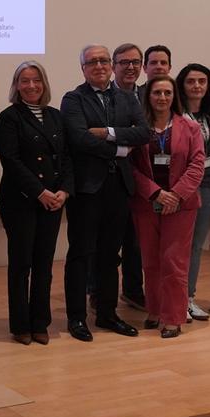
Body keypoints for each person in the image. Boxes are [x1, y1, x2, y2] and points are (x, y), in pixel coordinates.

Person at [60, 44, 148, 342]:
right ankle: (76, 318)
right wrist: (122, 147)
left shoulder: (127, 98)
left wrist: (107, 132)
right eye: (91, 62)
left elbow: (143, 132)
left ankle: (108, 314)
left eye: (103, 60)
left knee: (111, 255)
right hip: (87, 188)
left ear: (111, 65)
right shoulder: (73, 99)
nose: (98, 65)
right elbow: (79, 139)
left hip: (119, 188)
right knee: (81, 254)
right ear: (83, 68)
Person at [0, 61, 72, 345]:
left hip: (53, 201)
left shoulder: (56, 116)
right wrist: (40, 192)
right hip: (21, 201)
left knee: (44, 263)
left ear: (44, 83)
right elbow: (11, 161)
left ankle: (40, 322)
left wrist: (64, 190)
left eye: (36, 80)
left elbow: (66, 158)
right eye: (24, 81)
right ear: (16, 86)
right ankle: (20, 325)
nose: (31, 86)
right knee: (21, 264)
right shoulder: (9, 117)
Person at [129, 75, 204, 339]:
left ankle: (173, 317)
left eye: (167, 93)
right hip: (148, 204)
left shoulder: (191, 128)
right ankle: (155, 309)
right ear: (148, 96)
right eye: (157, 93)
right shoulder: (139, 129)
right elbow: (132, 168)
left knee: (174, 261)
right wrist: (156, 193)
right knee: (150, 260)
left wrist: (176, 195)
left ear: (175, 97)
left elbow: (197, 166)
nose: (162, 98)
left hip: (181, 207)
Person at [177, 63, 210, 321]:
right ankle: (174, 298)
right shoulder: (176, 115)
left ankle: (188, 298)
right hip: (183, 186)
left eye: (202, 81)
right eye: (191, 81)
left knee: (195, 246)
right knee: (178, 245)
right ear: (182, 85)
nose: (196, 86)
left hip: (208, 185)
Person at [110, 42, 148, 311]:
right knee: (106, 243)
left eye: (135, 62)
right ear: (113, 66)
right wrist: (126, 139)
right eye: (124, 62)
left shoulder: (150, 95)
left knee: (135, 242)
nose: (130, 67)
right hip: (111, 177)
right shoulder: (101, 95)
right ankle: (96, 291)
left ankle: (133, 291)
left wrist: (114, 134)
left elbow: (146, 132)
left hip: (144, 177)